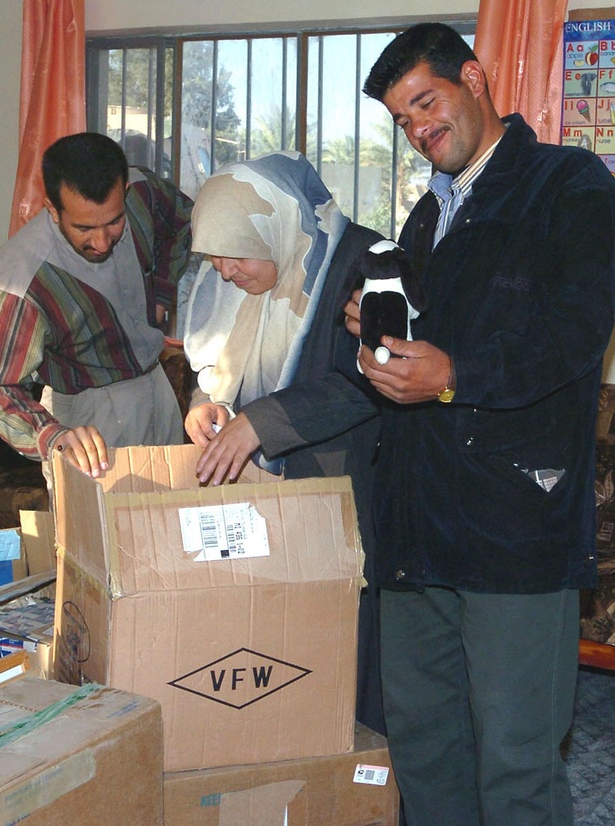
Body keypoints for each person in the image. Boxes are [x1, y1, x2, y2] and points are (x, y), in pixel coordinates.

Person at [340, 23, 615, 826]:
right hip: (415, 521)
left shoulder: (570, 186)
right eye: (402, 119)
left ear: (475, 77)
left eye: (426, 103)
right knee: (427, 748)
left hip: (512, 525)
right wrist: (378, 338)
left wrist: (453, 374)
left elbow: (571, 336)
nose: (418, 129)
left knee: (516, 762)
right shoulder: (425, 218)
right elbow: (428, 342)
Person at [183, 150, 387, 734]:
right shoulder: (239, 277)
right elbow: (221, 363)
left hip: (344, 490)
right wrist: (210, 407)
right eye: (213, 255)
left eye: (234, 253)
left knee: (342, 647)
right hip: (265, 493)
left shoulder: (362, 265)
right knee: (269, 652)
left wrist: (260, 423)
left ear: (276, 226)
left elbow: (367, 383)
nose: (223, 270)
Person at [0, 132, 194, 476]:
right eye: (84, 228)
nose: (102, 243)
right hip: (86, 418)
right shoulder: (23, 277)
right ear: (53, 210)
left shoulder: (143, 193)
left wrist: (161, 292)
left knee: (171, 520)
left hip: (157, 389)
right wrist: (53, 436)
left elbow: (186, 223)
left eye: (114, 222)